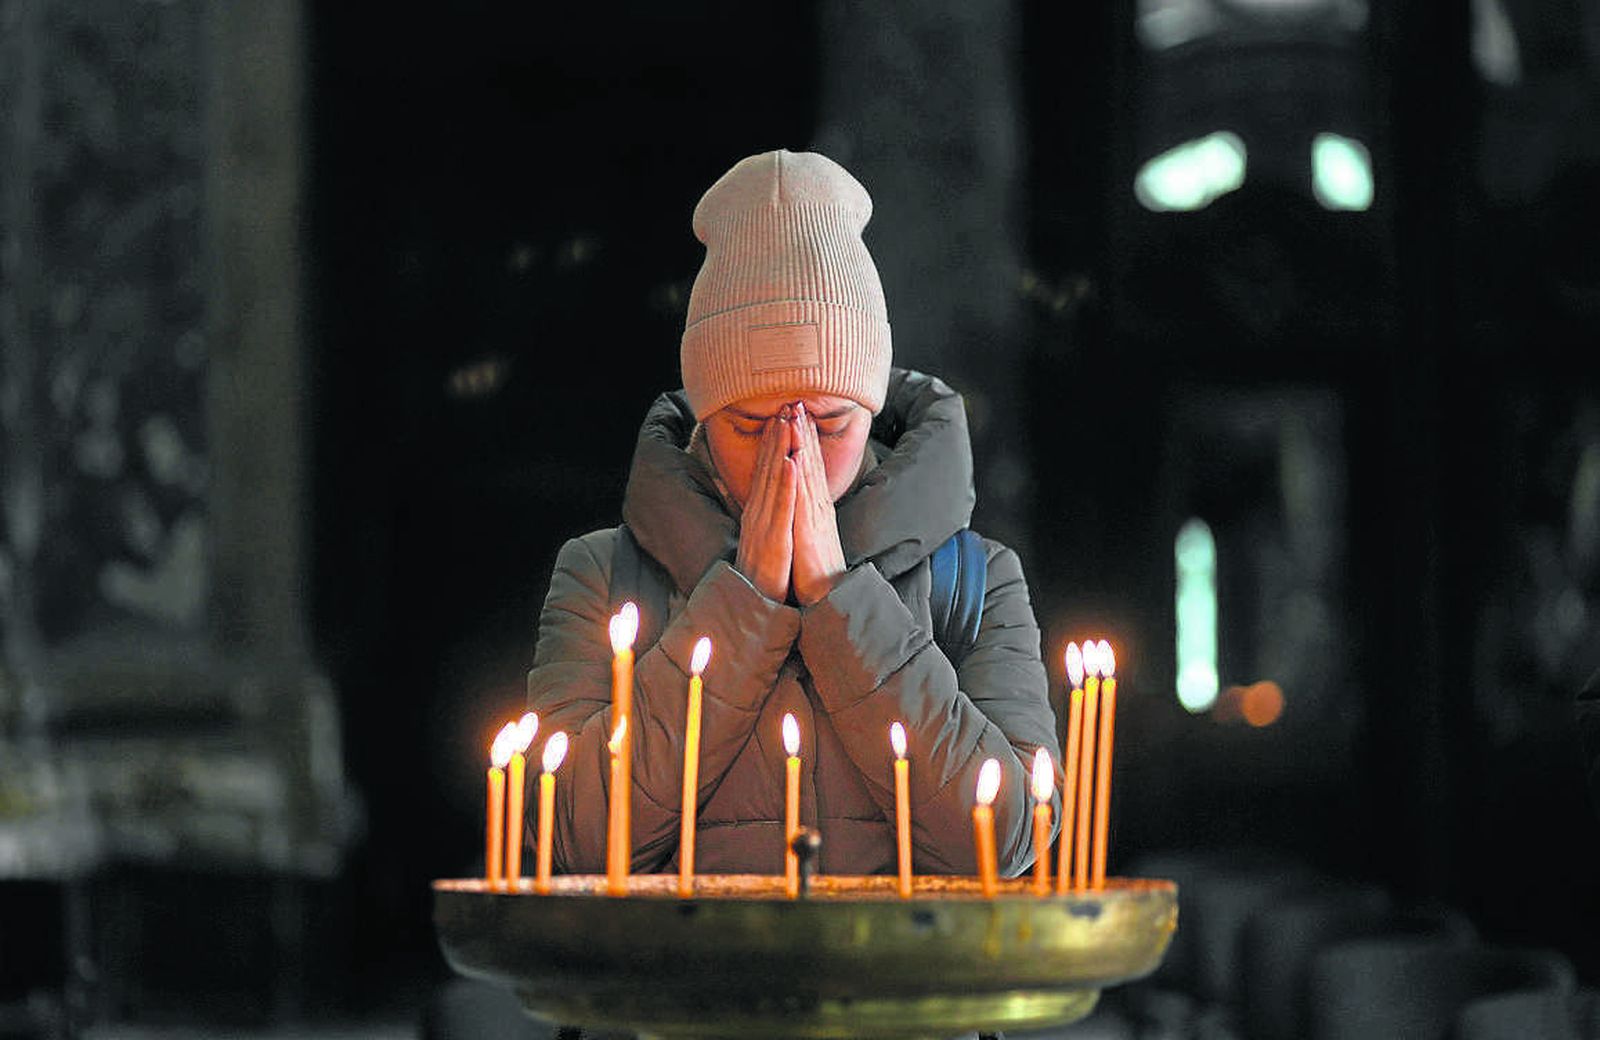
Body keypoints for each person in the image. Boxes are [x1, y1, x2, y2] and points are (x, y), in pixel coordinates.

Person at [527, 149, 1059, 879]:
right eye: (751, 426)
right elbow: (571, 838)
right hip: (677, 988)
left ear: (871, 413)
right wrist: (740, 610)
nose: (792, 452)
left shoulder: (976, 581)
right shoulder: (603, 573)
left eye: (831, 423)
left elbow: (1007, 840)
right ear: (705, 419)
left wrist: (842, 605)